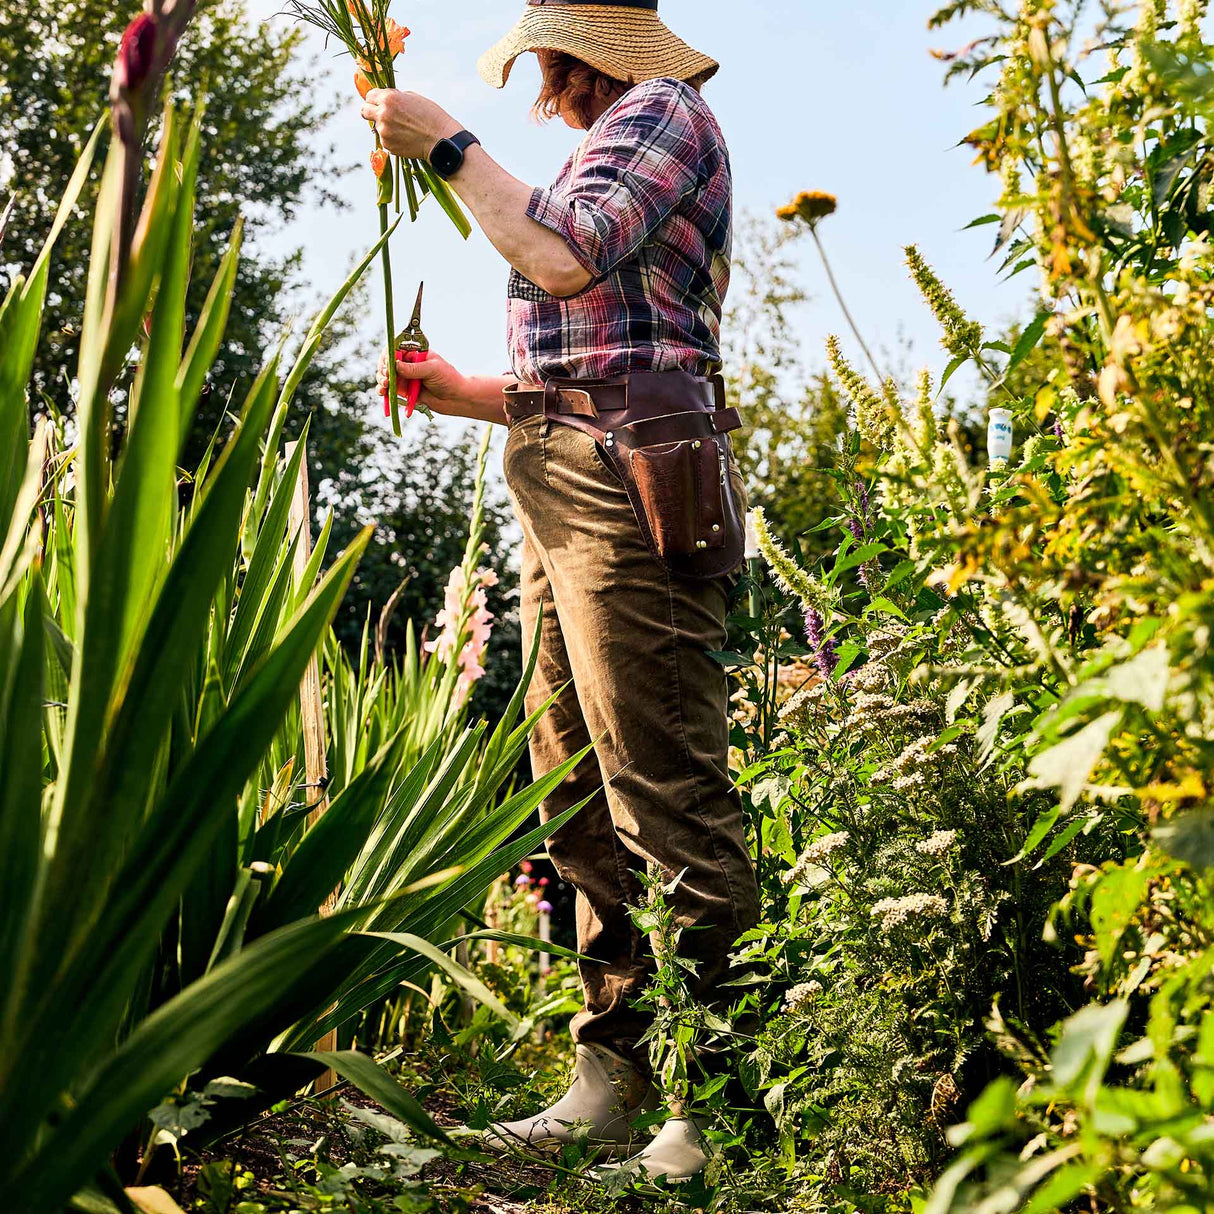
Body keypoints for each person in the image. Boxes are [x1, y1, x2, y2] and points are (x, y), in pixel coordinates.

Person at [365, 0, 760, 1183]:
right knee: (572, 782)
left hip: (627, 474)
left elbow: (559, 252)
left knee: (662, 782)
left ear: (571, 50)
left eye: (542, 55)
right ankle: (614, 1069)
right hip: (564, 463)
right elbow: (586, 351)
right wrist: (459, 390)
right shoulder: (606, 143)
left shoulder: (664, 114)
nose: (536, 77)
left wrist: (440, 140)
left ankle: (720, 1093)